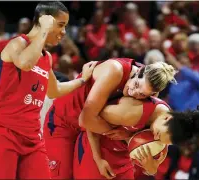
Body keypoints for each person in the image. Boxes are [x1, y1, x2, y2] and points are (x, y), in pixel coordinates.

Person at [0, 2, 97, 179]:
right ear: (44, 21)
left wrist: (82, 80)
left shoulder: (46, 57)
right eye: (60, 25)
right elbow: (25, 63)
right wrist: (43, 31)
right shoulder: (17, 44)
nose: (64, 32)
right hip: (2, 133)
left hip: (31, 137)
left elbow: (54, 90)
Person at [44, 59, 177, 179]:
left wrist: (151, 167)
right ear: (139, 72)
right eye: (136, 85)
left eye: (142, 94)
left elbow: (92, 122)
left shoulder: (151, 96)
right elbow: (87, 120)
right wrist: (126, 136)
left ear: (153, 95)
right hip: (63, 122)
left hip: (88, 129)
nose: (133, 93)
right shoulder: (115, 70)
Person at [74, 96, 199, 179]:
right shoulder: (133, 112)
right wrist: (98, 159)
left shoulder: (166, 133)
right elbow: (88, 117)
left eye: (162, 141)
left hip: (121, 159)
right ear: (166, 117)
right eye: (157, 134)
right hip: (95, 147)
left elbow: (152, 170)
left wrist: (151, 168)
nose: (155, 138)